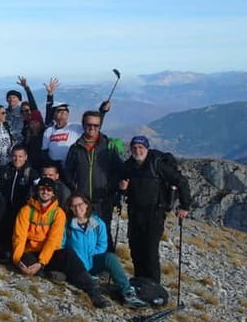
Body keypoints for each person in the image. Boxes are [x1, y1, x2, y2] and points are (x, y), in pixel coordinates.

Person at [12, 178, 109, 308]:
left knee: (69, 255)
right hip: (30, 252)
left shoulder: (58, 214)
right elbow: (19, 237)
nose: (45, 192)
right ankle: (52, 273)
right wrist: (17, 260)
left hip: (49, 254)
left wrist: (41, 263)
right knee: (26, 263)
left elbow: (53, 241)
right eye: (42, 189)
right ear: (37, 191)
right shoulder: (26, 211)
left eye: (49, 189)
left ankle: (92, 290)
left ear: (53, 193)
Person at [119, 136, 191, 283]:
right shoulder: (128, 166)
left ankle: (153, 287)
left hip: (155, 214)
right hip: (134, 213)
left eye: (141, 148)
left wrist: (184, 207)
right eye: (134, 148)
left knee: (150, 251)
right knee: (135, 249)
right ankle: (139, 283)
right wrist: (122, 189)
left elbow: (181, 182)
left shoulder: (157, 164)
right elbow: (124, 189)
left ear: (147, 148)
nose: (137, 151)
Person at [64, 194, 147, 308]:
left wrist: (90, 255)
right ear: (70, 208)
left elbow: (102, 245)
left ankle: (127, 292)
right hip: (76, 265)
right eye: (73, 206)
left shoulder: (97, 223)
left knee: (110, 258)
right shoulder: (66, 225)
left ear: (87, 205)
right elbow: (61, 246)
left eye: (80, 204)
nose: (78, 208)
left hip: (93, 261)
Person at [65, 110, 124, 250]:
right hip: (82, 201)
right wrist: (75, 188)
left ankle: (105, 264)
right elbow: (68, 171)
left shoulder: (109, 147)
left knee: (104, 232)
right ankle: (87, 263)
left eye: (96, 125)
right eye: (89, 124)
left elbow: (119, 170)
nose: (92, 128)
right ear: (83, 125)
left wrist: (112, 189)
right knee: (83, 232)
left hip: (103, 199)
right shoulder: (75, 148)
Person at [0, 145, 39, 251]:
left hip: (22, 209)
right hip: (6, 207)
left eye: (20, 156)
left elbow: (37, 191)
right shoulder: (6, 170)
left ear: (26, 157)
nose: (17, 159)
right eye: (15, 156)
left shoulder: (31, 173)